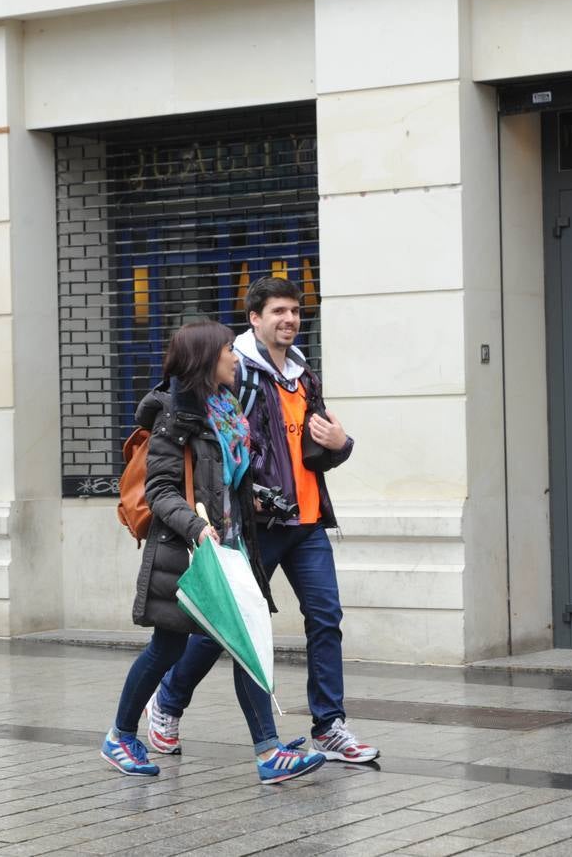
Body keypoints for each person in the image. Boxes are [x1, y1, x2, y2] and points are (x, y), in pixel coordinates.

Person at [147, 278, 380, 764]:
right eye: (278, 311)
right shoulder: (239, 373)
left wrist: (342, 443)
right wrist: (239, 499)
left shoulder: (303, 374)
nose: (289, 319)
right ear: (255, 318)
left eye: (295, 311)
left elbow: (314, 450)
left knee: (325, 618)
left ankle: (329, 726)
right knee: (223, 628)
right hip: (257, 527)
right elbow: (216, 446)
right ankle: (168, 702)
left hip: (308, 522)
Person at [101, 319, 325, 784]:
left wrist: (254, 498)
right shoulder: (173, 416)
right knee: (166, 648)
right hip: (188, 552)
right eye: (227, 349)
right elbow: (162, 490)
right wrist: (198, 526)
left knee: (246, 644)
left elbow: (224, 480)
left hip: (234, 545)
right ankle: (121, 735)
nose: (235, 357)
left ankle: (268, 752)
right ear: (206, 359)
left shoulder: (224, 409)